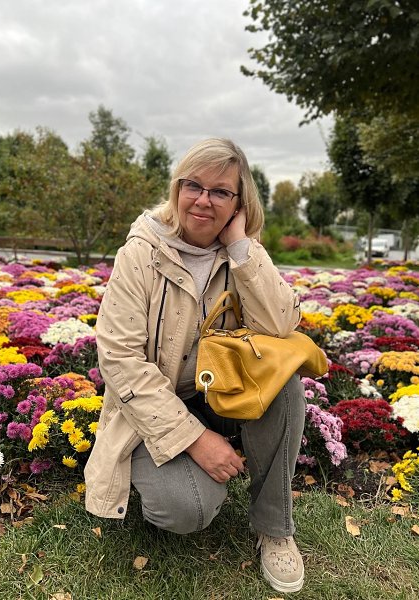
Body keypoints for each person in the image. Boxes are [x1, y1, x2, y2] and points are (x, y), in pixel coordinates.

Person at [85, 138, 305, 593]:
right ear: (177, 189)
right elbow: (120, 359)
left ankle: (274, 529)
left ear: (238, 203)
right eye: (193, 186)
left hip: (219, 395)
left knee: (285, 384)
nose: (203, 200)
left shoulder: (242, 252)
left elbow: (281, 325)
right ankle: (172, 475)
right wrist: (195, 440)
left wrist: (240, 247)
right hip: (153, 408)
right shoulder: (141, 253)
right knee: (190, 508)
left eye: (221, 191)